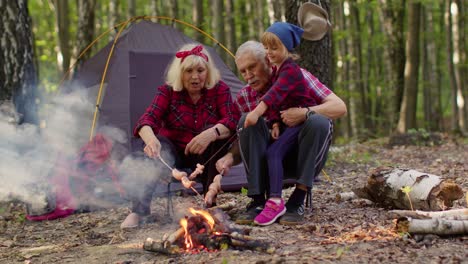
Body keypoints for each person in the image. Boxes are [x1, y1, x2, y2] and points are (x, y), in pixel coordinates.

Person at [216, 40, 347, 226]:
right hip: (270, 160)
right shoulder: (245, 96)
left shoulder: (298, 76)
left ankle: (298, 200)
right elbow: (243, 138)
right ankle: (258, 200)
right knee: (247, 120)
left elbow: (339, 107)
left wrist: (304, 113)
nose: (248, 76)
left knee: (318, 120)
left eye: (252, 67)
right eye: (243, 71)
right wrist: (229, 157)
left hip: (304, 156)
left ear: (268, 61)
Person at [120, 44, 240, 229]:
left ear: (208, 72)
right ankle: (139, 210)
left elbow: (232, 120)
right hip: (173, 157)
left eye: (200, 70)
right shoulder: (167, 92)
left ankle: (210, 205)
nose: (195, 77)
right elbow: (145, 121)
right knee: (149, 146)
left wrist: (211, 133)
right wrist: (151, 140)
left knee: (219, 138)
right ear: (180, 73)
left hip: (205, 157)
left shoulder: (219, 90)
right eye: (188, 71)